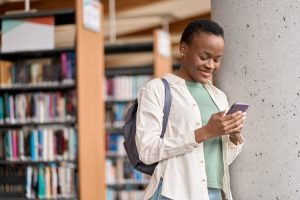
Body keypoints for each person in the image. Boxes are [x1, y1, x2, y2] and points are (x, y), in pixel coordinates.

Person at [135, 19, 246, 200]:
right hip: (175, 193)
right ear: (184, 49)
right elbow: (147, 151)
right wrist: (204, 132)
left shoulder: (219, 97)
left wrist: (233, 137)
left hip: (214, 194)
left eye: (217, 60)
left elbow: (218, 160)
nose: (210, 65)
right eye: (204, 57)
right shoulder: (157, 89)